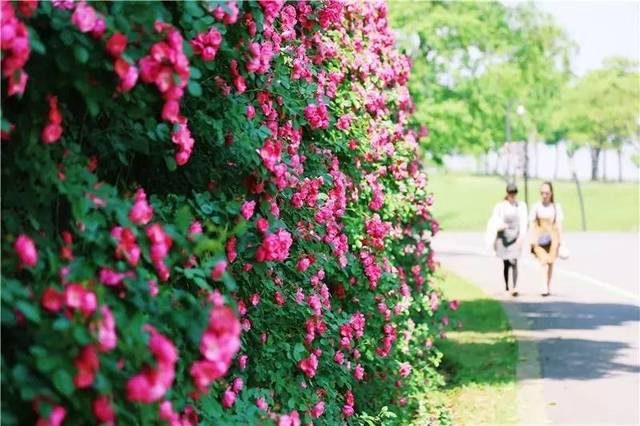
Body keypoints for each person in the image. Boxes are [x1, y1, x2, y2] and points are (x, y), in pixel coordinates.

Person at [485, 183, 528, 296]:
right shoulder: (501, 206)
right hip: (504, 237)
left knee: (514, 261)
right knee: (506, 262)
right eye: (510, 193)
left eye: (514, 193)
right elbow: (494, 220)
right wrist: (500, 226)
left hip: (515, 236)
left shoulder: (521, 206)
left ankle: (514, 287)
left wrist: (521, 237)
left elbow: (523, 221)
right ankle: (507, 286)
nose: (512, 196)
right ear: (507, 193)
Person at [529, 181, 564, 296]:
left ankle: (547, 285)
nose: (544, 195)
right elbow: (532, 224)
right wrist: (531, 239)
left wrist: (561, 242)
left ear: (551, 193)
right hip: (539, 238)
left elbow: (559, 225)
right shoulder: (536, 206)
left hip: (552, 238)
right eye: (542, 193)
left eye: (547, 193)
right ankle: (543, 286)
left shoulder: (555, 207)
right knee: (543, 261)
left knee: (550, 262)